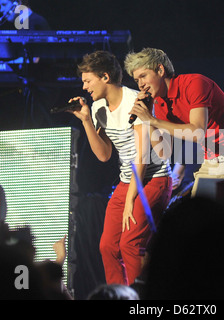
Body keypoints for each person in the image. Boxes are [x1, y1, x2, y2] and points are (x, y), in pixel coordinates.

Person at [124, 48, 224, 221]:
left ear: (160, 70)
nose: (140, 84)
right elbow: (164, 152)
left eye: (143, 76)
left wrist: (152, 121)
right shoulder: (159, 103)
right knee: (198, 221)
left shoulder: (194, 83)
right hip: (213, 155)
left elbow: (197, 132)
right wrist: (148, 119)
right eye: (137, 80)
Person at [69, 50, 172, 286]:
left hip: (154, 179)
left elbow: (142, 158)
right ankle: (118, 294)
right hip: (128, 181)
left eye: (87, 81)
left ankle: (140, 298)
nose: (85, 87)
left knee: (130, 244)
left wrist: (129, 201)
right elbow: (104, 155)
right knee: (107, 246)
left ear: (105, 77)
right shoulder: (98, 109)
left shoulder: (135, 101)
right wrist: (86, 120)